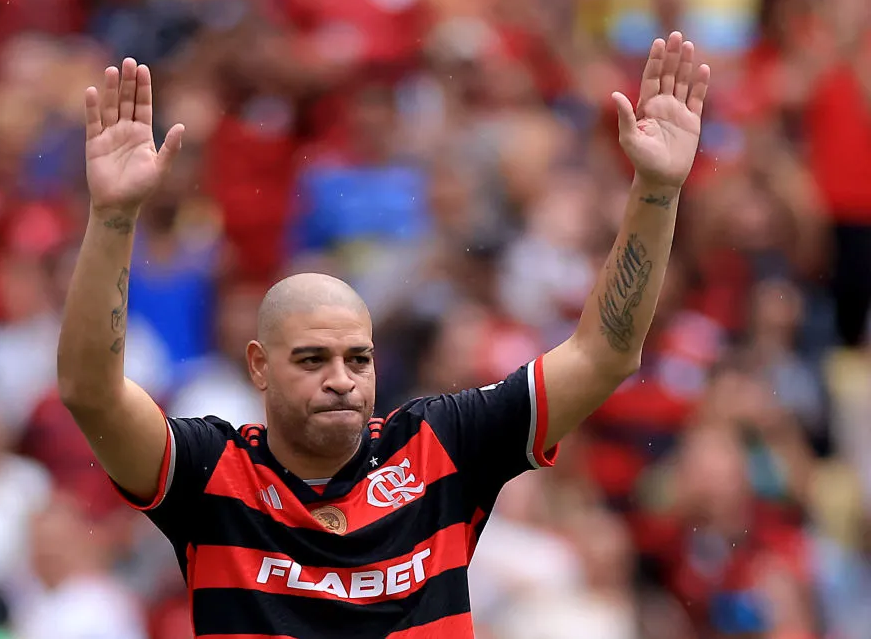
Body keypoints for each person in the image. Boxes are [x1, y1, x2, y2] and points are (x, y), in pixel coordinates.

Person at [57, 31, 710, 638]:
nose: (341, 378)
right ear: (258, 365)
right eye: (312, 358)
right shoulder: (212, 472)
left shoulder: (442, 447)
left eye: (357, 358)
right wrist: (114, 217)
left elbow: (604, 353)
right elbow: (92, 390)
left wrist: (655, 190)